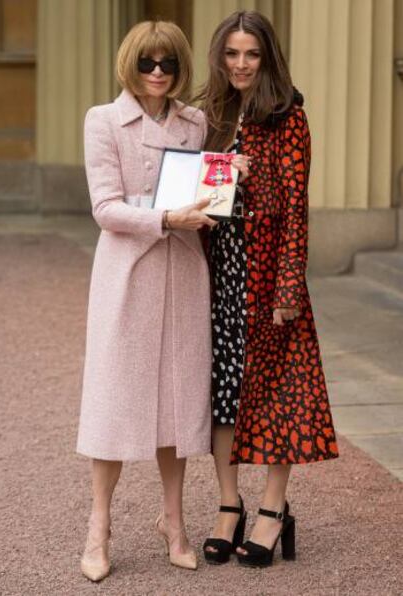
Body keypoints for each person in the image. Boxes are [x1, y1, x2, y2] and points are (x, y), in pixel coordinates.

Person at [76, 20, 217, 580]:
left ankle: (174, 522)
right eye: (146, 63)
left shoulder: (195, 121)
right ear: (130, 64)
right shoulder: (103, 120)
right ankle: (99, 525)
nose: (157, 73)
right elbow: (105, 208)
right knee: (114, 399)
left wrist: (227, 181)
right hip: (127, 273)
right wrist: (165, 217)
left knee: (177, 402)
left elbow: (204, 194)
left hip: (183, 271)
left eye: (168, 64)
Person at [198, 10, 339, 568]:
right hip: (219, 272)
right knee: (224, 393)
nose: (240, 64)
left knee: (280, 394)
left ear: (267, 58)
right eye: (231, 54)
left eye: (250, 54)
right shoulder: (212, 114)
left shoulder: (289, 118)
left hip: (267, 277)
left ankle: (273, 510)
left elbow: (297, 212)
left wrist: (287, 287)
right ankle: (228, 504)